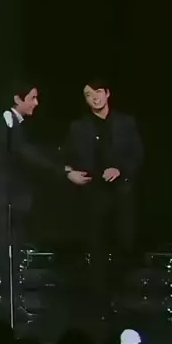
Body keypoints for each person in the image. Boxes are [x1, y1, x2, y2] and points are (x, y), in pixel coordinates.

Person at [0, 80, 91, 320]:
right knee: (2, 257)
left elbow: (31, 151)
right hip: (3, 201)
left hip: (12, 202)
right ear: (17, 99)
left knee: (12, 255)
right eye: (32, 97)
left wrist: (62, 164)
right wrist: (63, 172)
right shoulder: (6, 122)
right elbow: (26, 154)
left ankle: (10, 307)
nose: (36, 103)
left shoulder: (15, 125)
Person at [61, 77, 143, 318]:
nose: (94, 97)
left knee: (124, 244)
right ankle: (101, 306)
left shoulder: (126, 123)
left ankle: (121, 298)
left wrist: (120, 169)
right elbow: (64, 158)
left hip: (121, 195)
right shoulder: (78, 128)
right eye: (88, 94)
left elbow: (137, 155)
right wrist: (69, 172)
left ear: (107, 93)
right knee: (96, 249)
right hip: (93, 196)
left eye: (97, 92)